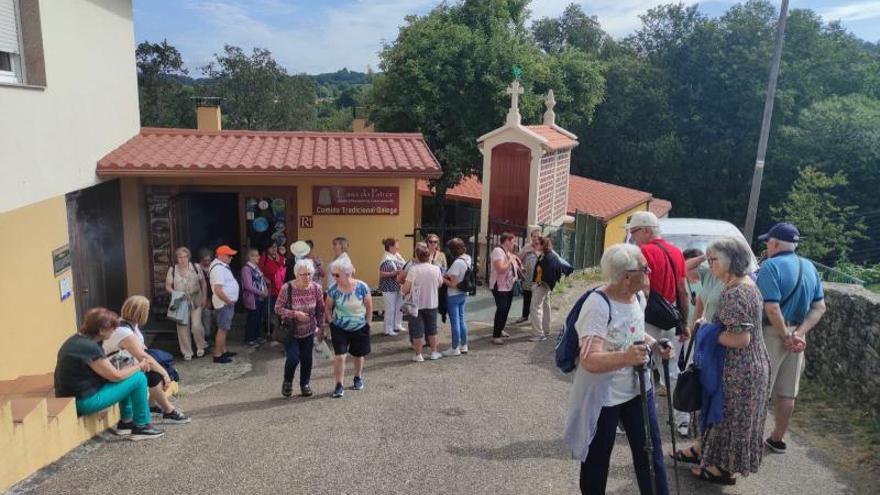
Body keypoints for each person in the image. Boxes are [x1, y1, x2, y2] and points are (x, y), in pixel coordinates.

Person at [564, 243, 671, 495]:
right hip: (604, 396)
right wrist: (626, 357)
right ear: (626, 277)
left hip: (637, 390)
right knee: (597, 460)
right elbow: (589, 359)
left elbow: (632, 332)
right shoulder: (598, 305)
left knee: (651, 454)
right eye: (644, 268)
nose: (650, 271)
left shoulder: (639, 297)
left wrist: (654, 345)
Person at [691, 236, 769, 484]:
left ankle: (720, 470)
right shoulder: (747, 286)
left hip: (740, 367)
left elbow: (740, 339)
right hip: (750, 365)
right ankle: (717, 464)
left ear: (728, 261)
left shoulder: (735, 293)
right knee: (734, 420)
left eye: (712, 259)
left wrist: (705, 330)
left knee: (729, 419)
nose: (709, 264)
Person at [756, 222, 825, 454]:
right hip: (797, 337)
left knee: (760, 389)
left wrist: (785, 335)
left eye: (768, 241)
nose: (766, 245)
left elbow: (772, 308)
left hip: (771, 333)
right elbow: (819, 307)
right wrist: (799, 333)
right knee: (787, 392)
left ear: (774, 243)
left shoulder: (770, 267)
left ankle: (751, 438)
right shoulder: (810, 267)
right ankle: (777, 439)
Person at [54, 308, 164, 440]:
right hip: (85, 401)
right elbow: (116, 376)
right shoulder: (89, 347)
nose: (114, 332)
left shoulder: (76, 340)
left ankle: (126, 422)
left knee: (128, 375)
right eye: (112, 329)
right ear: (101, 330)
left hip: (71, 397)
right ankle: (142, 425)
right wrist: (139, 366)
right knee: (138, 378)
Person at [626, 211, 689, 425]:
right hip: (670, 317)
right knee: (671, 368)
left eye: (634, 232)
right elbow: (683, 290)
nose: (632, 236)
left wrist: (632, 319)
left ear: (645, 230)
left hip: (647, 318)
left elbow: (644, 288)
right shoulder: (676, 252)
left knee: (639, 366)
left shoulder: (642, 251)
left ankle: (639, 419)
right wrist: (684, 323)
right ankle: (682, 418)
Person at [104, 296, 190, 424]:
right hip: (116, 367)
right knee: (154, 374)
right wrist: (164, 373)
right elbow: (143, 356)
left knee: (158, 365)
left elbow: (141, 349)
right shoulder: (123, 331)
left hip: (126, 363)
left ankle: (152, 405)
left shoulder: (130, 324)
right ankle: (168, 410)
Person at [275, 259, 325, 398]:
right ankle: (288, 382)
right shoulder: (287, 288)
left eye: (309, 274)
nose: (306, 277)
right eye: (303, 274)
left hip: (309, 330)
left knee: (307, 359)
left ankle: (305, 384)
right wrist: (295, 314)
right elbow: (278, 308)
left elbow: (320, 310)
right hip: (291, 332)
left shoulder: (316, 288)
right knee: (293, 358)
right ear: (296, 274)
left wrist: (321, 327)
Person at [325, 256, 372, 398]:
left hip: (359, 326)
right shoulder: (333, 289)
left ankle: (357, 377)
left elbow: (369, 307)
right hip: (339, 327)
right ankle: (339, 384)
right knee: (340, 356)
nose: (334, 277)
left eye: (337, 275)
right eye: (333, 275)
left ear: (347, 273)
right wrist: (331, 322)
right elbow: (327, 308)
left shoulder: (362, 287)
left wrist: (368, 324)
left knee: (358, 355)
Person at [401, 243, 444, 362]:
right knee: (432, 329)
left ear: (417, 256)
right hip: (432, 302)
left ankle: (418, 354)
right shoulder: (436, 269)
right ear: (428, 256)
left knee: (417, 330)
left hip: (416, 304)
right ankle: (434, 352)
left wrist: (402, 291)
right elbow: (440, 283)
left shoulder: (413, 269)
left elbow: (406, 288)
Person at [164, 247, 208, 360]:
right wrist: (176, 293)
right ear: (176, 258)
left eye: (184, 256)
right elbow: (168, 286)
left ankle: (201, 346)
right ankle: (187, 351)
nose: (182, 259)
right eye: (180, 257)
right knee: (182, 327)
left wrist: (204, 297)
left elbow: (203, 283)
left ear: (188, 257)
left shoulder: (196, 267)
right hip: (180, 300)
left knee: (196, 325)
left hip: (195, 298)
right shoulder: (172, 269)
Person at [529, 236, 572, 342]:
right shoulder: (549, 255)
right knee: (545, 307)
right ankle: (545, 329)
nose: (536, 245)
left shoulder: (548, 257)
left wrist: (540, 283)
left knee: (535, 308)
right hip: (546, 285)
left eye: (538, 244)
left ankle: (538, 334)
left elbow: (549, 272)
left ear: (543, 245)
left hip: (542, 285)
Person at [210, 245, 240, 364]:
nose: (231, 258)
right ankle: (218, 354)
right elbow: (218, 289)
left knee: (225, 328)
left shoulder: (221, 266)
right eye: (229, 255)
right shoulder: (218, 268)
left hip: (225, 302)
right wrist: (228, 301)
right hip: (223, 303)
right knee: (222, 329)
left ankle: (223, 350)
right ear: (221, 256)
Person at [490, 232, 521, 345]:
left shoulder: (508, 252)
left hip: (508, 286)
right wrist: (510, 259)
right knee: (502, 308)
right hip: (499, 286)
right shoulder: (498, 251)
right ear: (507, 241)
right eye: (512, 241)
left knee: (506, 308)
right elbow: (501, 269)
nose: (514, 243)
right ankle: (495, 335)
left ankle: (500, 329)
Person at [442, 238, 471, 356]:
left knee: (455, 322)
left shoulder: (457, 263)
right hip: (463, 293)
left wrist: (441, 278)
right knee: (461, 319)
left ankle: (454, 348)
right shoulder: (467, 258)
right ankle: (464, 345)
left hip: (453, 294)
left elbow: (453, 284)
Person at [378, 238, 406, 336]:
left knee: (399, 306)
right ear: (390, 247)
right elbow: (381, 274)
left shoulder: (397, 256)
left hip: (398, 285)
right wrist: (394, 273)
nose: (398, 247)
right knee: (390, 308)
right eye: (397, 245)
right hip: (388, 287)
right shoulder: (386, 259)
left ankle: (397, 325)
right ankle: (388, 329)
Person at [242, 248, 269, 346]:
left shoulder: (256, 267)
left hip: (260, 297)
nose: (259, 257)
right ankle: (250, 339)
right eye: (256, 255)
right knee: (252, 318)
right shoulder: (246, 269)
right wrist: (261, 293)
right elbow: (248, 286)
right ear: (250, 257)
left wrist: (265, 289)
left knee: (258, 318)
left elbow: (261, 280)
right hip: (253, 298)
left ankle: (257, 337)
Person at [259, 242, 287, 336]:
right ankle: (267, 328)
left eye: (275, 247)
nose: (274, 249)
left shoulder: (281, 257)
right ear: (267, 249)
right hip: (269, 288)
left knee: (279, 311)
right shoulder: (264, 258)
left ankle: (278, 331)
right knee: (267, 310)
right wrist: (264, 278)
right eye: (271, 247)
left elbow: (284, 271)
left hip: (280, 289)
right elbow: (258, 271)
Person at [516, 227, 542, 324]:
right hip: (528, 277)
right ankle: (524, 316)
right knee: (527, 297)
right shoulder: (527, 246)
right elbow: (518, 258)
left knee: (537, 299)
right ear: (531, 238)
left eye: (538, 237)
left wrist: (535, 252)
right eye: (534, 237)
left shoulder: (543, 247)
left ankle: (536, 319)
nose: (536, 239)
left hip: (539, 278)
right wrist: (526, 252)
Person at [197, 248, 216, 341]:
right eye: (205, 260)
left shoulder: (214, 267)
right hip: (203, 297)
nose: (207, 262)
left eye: (209, 260)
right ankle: (206, 339)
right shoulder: (197, 269)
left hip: (215, 297)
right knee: (205, 319)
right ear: (201, 259)